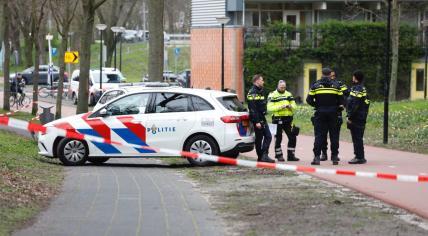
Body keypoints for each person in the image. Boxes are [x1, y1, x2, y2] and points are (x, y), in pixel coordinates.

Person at [306, 68, 344, 165]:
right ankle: (334, 157)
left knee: (319, 135)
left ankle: (317, 157)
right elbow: (342, 101)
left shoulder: (315, 85)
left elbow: (309, 100)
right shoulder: (336, 86)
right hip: (333, 113)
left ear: (322, 74)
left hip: (320, 113)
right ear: (330, 74)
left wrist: (317, 105)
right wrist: (336, 107)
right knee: (334, 136)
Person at [320, 70, 349, 161]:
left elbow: (347, 93)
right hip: (323, 112)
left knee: (335, 136)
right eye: (330, 75)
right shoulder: (319, 84)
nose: (331, 77)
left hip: (336, 113)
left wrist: (343, 104)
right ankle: (324, 153)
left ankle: (334, 154)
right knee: (323, 135)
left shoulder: (339, 84)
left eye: (333, 76)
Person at [267, 80, 299, 162]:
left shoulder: (288, 94)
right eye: (281, 87)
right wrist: (280, 107)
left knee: (292, 136)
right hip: (277, 119)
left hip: (288, 119)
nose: (283, 88)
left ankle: (291, 155)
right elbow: (269, 108)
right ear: (278, 86)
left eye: (284, 87)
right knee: (278, 138)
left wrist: (290, 106)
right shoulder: (272, 94)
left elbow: (295, 106)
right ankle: (279, 155)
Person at [247, 74, 274, 163]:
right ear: (257, 81)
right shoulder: (253, 92)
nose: (263, 82)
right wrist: (257, 122)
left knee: (266, 137)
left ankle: (263, 156)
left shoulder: (259, 91)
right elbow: (252, 109)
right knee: (262, 138)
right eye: (262, 80)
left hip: (261, 117)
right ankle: (262, 156)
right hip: (257, 119)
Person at [347, 70, 370, 164]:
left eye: (353, 76)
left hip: (357, 117)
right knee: (358, 137)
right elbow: (366, 103)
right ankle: (360, 156)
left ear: (355, 78)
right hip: (361, 116)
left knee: (357, 137)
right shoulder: (362, 88)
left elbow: (355, 104)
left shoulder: (357, 89)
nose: (352, 78)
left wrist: (350, 116)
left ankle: (359, 157)